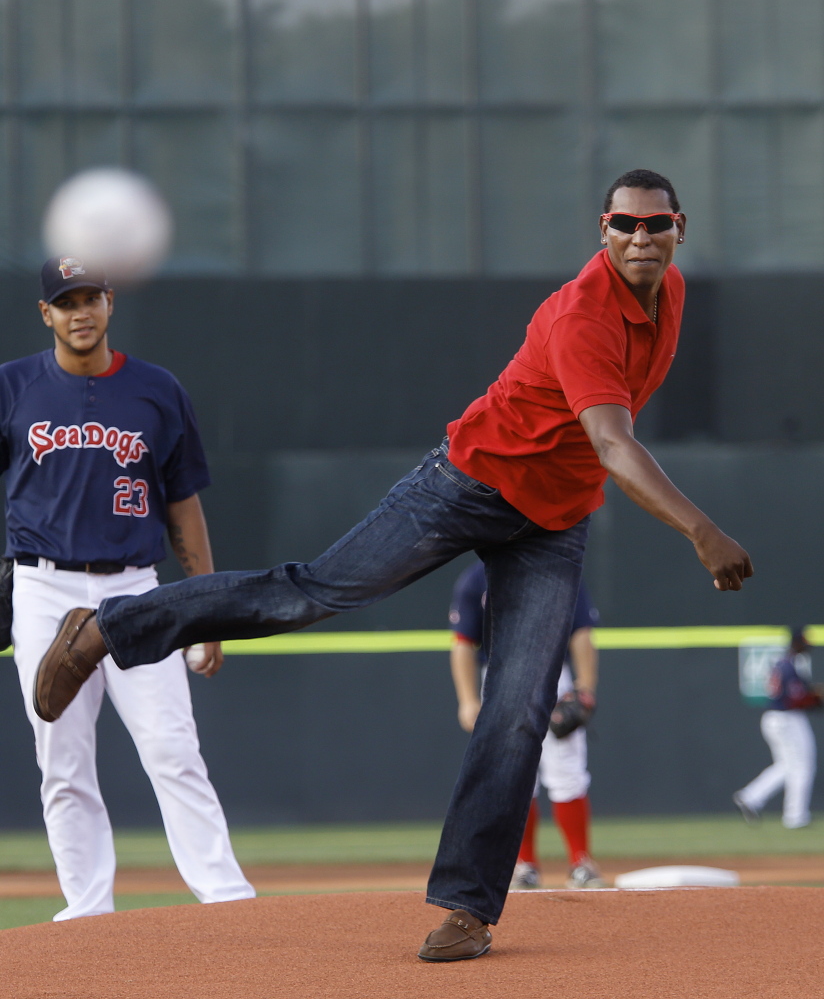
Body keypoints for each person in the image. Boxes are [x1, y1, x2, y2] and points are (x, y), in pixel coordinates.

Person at [34, 170, 753, 959]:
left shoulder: (669, 294)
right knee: (309, 595)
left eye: (656, 226)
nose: (640, 239)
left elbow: (599, 452)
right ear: (603, 229)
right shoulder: (583, 313)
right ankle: (109, 625)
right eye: (625, 224)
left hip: (552, 522)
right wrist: (701, 529)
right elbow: (615, 444)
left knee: (518, 711)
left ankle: (468, 910)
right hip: (469, 483)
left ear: (679, 228)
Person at [0, 256, 255, 920]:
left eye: (91, 297)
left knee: (173, 749)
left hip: (138, 590)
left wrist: (205, 609)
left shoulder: (157, 390)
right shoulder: (13, 387)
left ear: (111, 303)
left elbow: (183, 505)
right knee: (61, 758)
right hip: (44, 587)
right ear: (46, 314)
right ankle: (86, 909)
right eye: (66, 300)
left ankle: (226, 898)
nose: (80, 311)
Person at [448, 560, 604, 889]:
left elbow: (581, 633)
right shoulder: (477, 578)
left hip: (553, 675)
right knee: (513, 777)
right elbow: (463, 642)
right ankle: (523, 865)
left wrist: (585, 687)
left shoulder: (559, 567)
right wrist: (467, 700)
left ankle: (580, 862)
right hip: (499, 679)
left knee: (567, 770)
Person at [733, 627, 820, 830]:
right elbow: (795, 698)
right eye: (804, 643)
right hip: (787, 719)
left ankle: (750, 797)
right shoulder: (790, 665)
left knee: (786, 766)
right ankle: (796, 816)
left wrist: (814, 697)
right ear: (796, 643)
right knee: (802, 767)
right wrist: (816, 698)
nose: (807, 647)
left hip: (774, 718)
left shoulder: (783, 663)